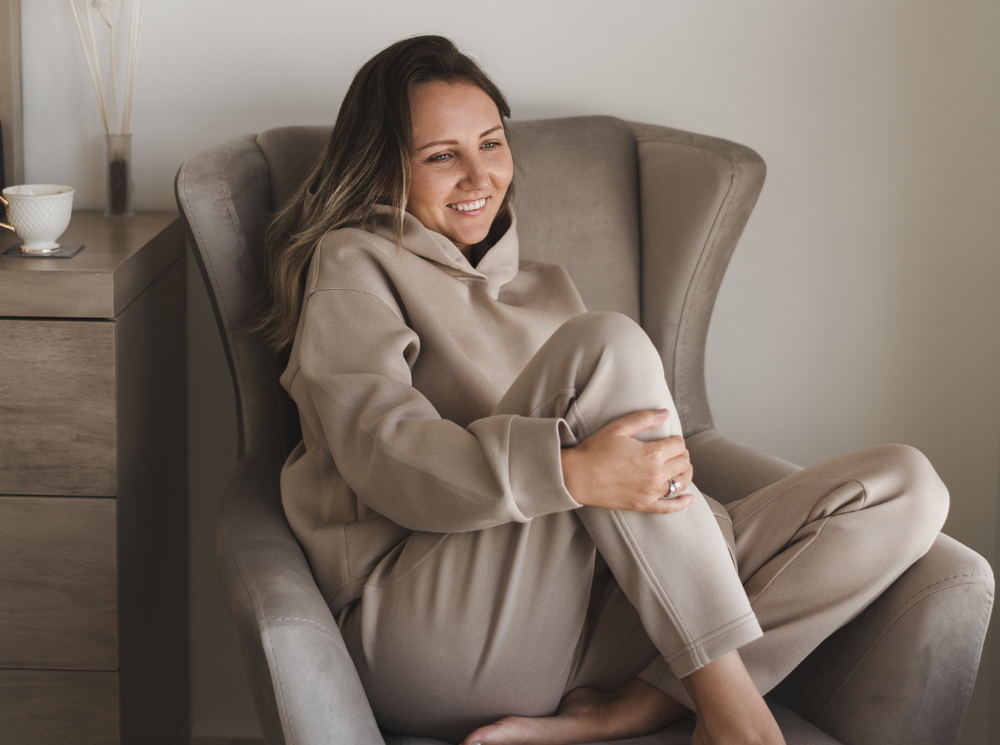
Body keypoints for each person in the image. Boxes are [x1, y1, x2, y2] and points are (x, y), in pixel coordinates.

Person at [255, 35, 949, 745]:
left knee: (906, 487)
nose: (478, 175)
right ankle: (732, 712)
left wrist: (695, 535)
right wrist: (569, 471)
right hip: (425, 628)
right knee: (609, 344)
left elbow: (632, 489)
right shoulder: (352, 264)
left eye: (491, 144)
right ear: (382, 170)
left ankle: (636, 705)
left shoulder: (545, 288)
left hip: (571, 620)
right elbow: (385, 458)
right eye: (441, 156)